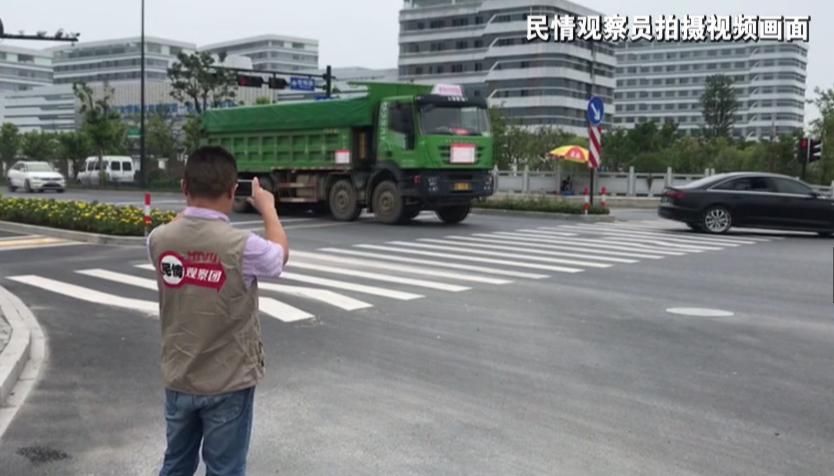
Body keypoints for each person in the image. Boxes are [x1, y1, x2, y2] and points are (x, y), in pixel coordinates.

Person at [147, 145, 289, 476]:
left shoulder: (158, 240)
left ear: (184, 188)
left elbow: (180, 228)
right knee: (224, 469)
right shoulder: (244, 246)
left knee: (176, 463)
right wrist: (267, 208)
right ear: (232, 191)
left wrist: (189, 211)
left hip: (179, 377)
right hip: (228, 382)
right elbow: (278, 257)